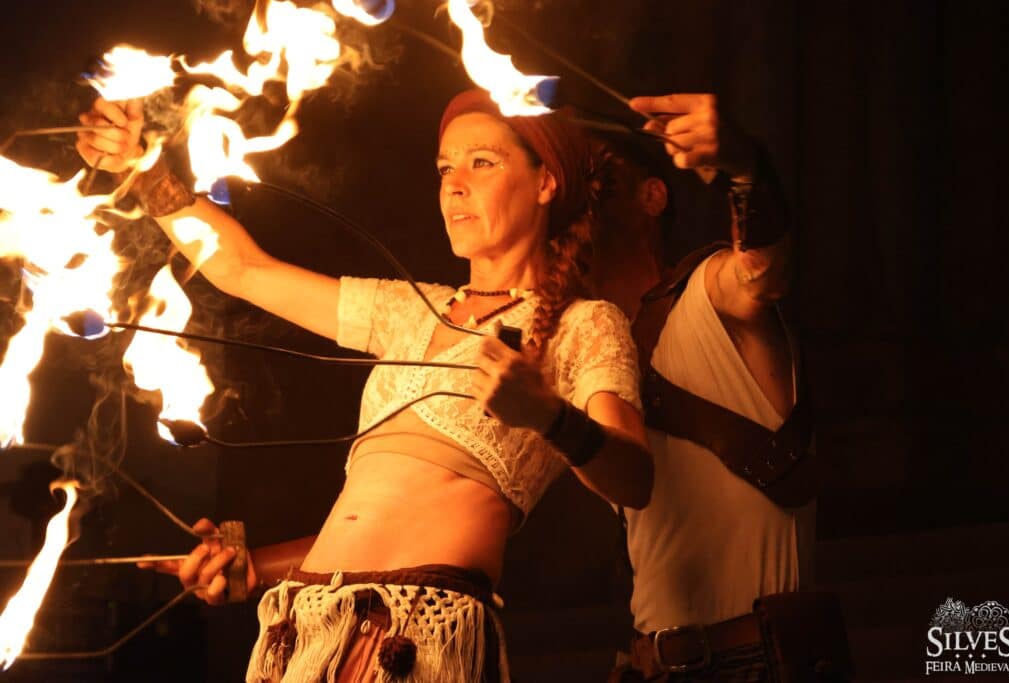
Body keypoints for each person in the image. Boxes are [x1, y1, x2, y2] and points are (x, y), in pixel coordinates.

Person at [76, 88, 653, 682]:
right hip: (302, 630)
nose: (454, 184)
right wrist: (142, 170)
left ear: (545, 182)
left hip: (415, 637)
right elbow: (241, 268)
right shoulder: (407, 309)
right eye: (445, 168)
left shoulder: (583, 324)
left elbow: (634, 479)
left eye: (482, 161)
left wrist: (548, 416)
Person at [591, 94, 850, 681]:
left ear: (652, 195)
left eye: (600, 177)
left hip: (750, 665)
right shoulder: (596, 358)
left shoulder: (708, 294)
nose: (577, 199)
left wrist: (743, 168)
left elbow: (763, 270)